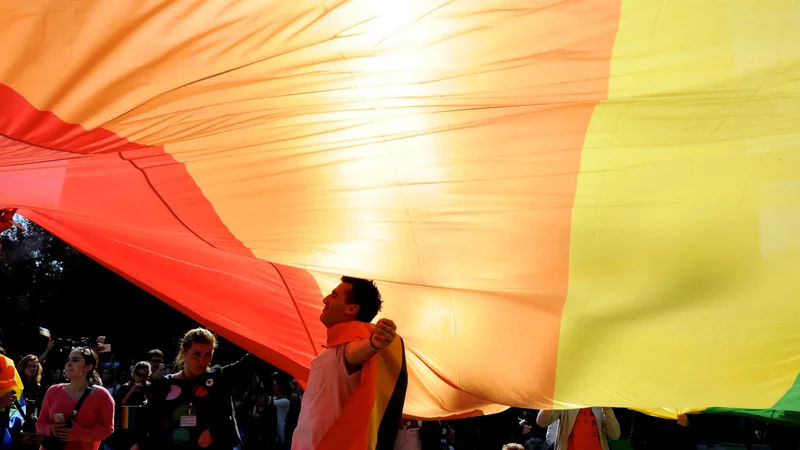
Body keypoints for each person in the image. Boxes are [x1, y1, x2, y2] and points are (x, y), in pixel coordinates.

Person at [292, 276, 407, 450]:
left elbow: (354, 353)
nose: (325, 299)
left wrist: (374, 343)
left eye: (335, 295)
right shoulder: (335, 347)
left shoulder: (351, 342)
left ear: (352, 308)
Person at [139, 328, 263, 450]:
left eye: (208, 354)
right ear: (184, 352)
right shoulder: (163, 386)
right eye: (197, 354)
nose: (202, 360)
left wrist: (214, 431)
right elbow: (151, 429)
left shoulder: (217, 380)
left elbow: (254, 359)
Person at [36, 347, 115, 450]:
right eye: (68, 360)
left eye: (75, 360)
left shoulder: (101, 395)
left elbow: (107, 429)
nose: (68, 364)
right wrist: (51, 430)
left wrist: (81, 434)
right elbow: (40, 423)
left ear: (88, 367)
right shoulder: (53, 391)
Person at [536, 408, 620, 450]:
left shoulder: (599, 405)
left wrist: (608, 410)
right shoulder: (566, 402)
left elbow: (615, 435)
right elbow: (541, 422)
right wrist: (550, 403)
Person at [16, 355, 46, 449]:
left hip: (33, 425)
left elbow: (42, 407)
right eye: (29, 366)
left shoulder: (39, 387)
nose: (32, 369)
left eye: (35, 366)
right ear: (23, 367)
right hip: (17, 421)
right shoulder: (17, 385)